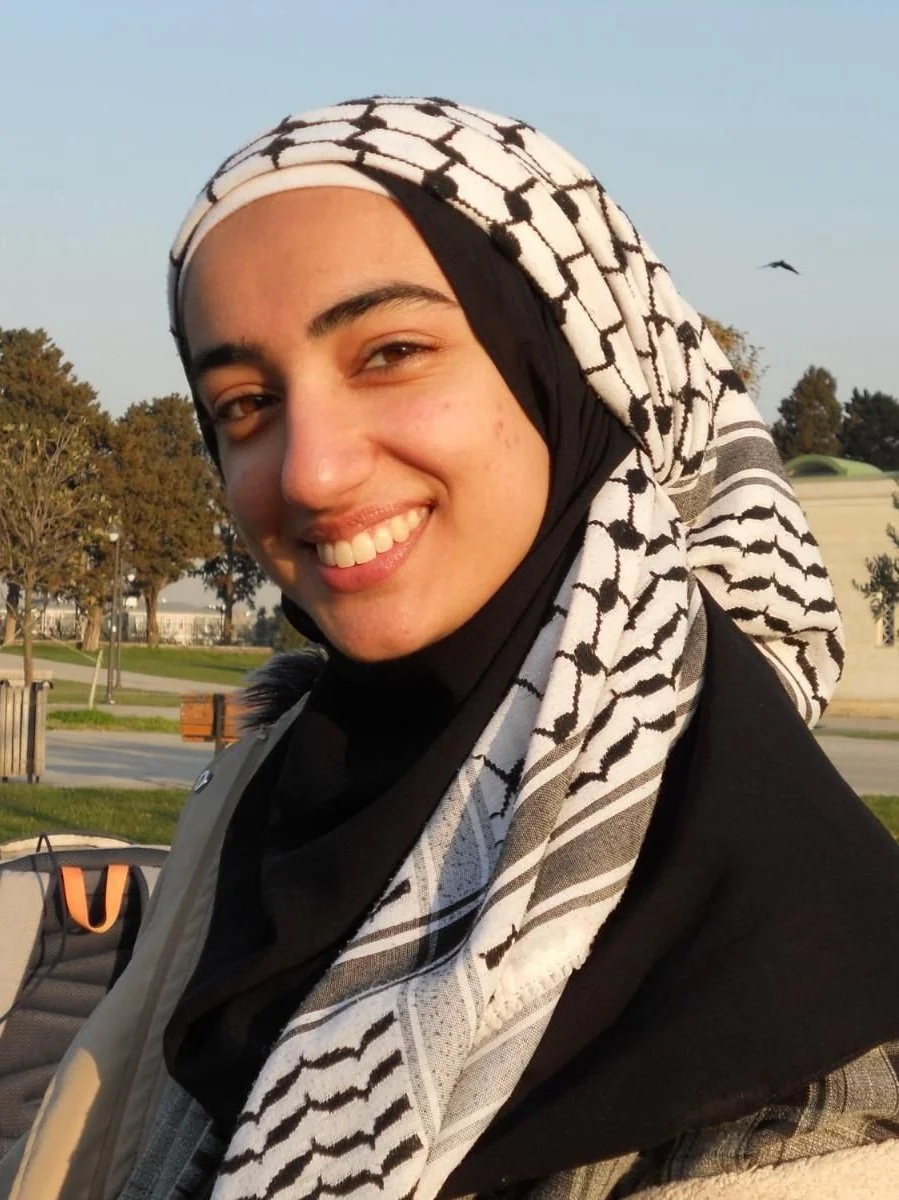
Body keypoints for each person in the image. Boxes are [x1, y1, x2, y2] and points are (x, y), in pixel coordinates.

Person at [3, 97, 899, 1200]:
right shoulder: (269, 788)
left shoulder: (801, 1048)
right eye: (243, 403)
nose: (311, 472)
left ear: (570, 372)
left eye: (389, 351)